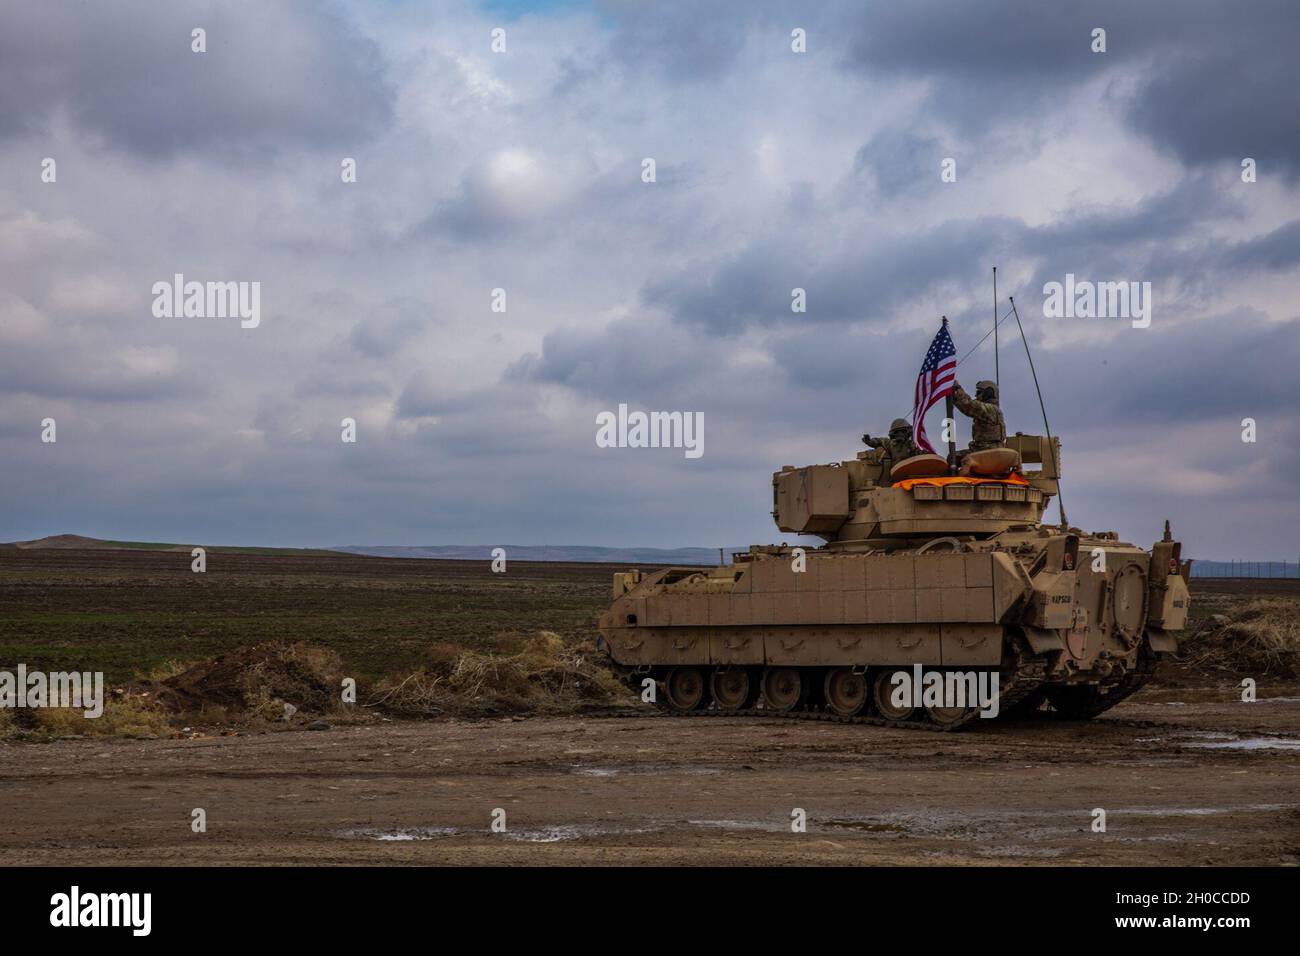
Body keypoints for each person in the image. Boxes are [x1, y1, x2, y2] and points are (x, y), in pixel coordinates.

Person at [951, 380, 1006, 452]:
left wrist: (956, 389)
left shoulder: (990, 409)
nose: (976, 395)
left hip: (986, 450)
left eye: (978, 392)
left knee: (953, 458)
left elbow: (968, 405)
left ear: (988, 393)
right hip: (988, 449)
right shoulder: (993, 409)